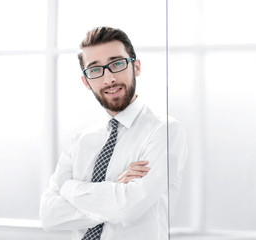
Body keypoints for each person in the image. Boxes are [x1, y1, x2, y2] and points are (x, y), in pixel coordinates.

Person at [39, 26, 187, 240]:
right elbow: (49, 215)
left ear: (136, 67)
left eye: (117, 64)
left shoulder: (165, 131)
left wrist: (70, 188)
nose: (108, 79)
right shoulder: (81, 141)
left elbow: (128, 209)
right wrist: (114, 191)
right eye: (95, 70)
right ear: (86, 81)